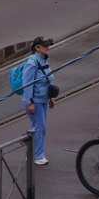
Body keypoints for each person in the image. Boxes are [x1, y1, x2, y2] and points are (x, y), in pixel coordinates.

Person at [23, 36, 56, 165]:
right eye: (45, 46)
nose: (48, 48)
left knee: (38, 127)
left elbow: (47, 80)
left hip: (43, 100)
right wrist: (29, 102)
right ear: (37, 48)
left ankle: (30, 149)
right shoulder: (32, 63)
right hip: (35, 101)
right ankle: (38, 156)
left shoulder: (44, 60)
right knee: (40, 128)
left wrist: (51, 98)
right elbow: (27, 84)